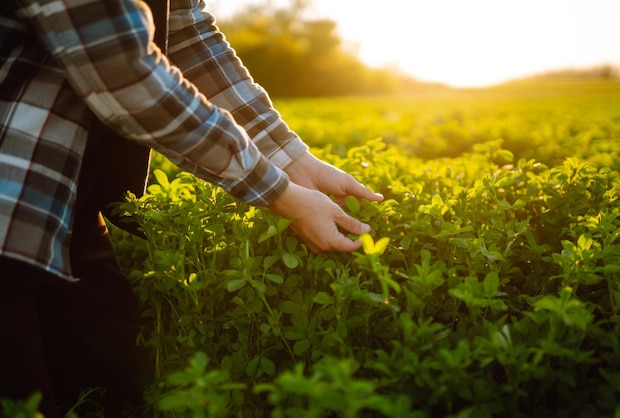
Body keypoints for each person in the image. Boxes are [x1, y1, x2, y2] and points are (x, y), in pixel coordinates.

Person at [0, 0, 383, 416]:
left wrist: (292, 160)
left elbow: (183, 31)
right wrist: (279, 192)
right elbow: (124, 73)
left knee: (117, 385)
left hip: (63, 203)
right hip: (10, 197)